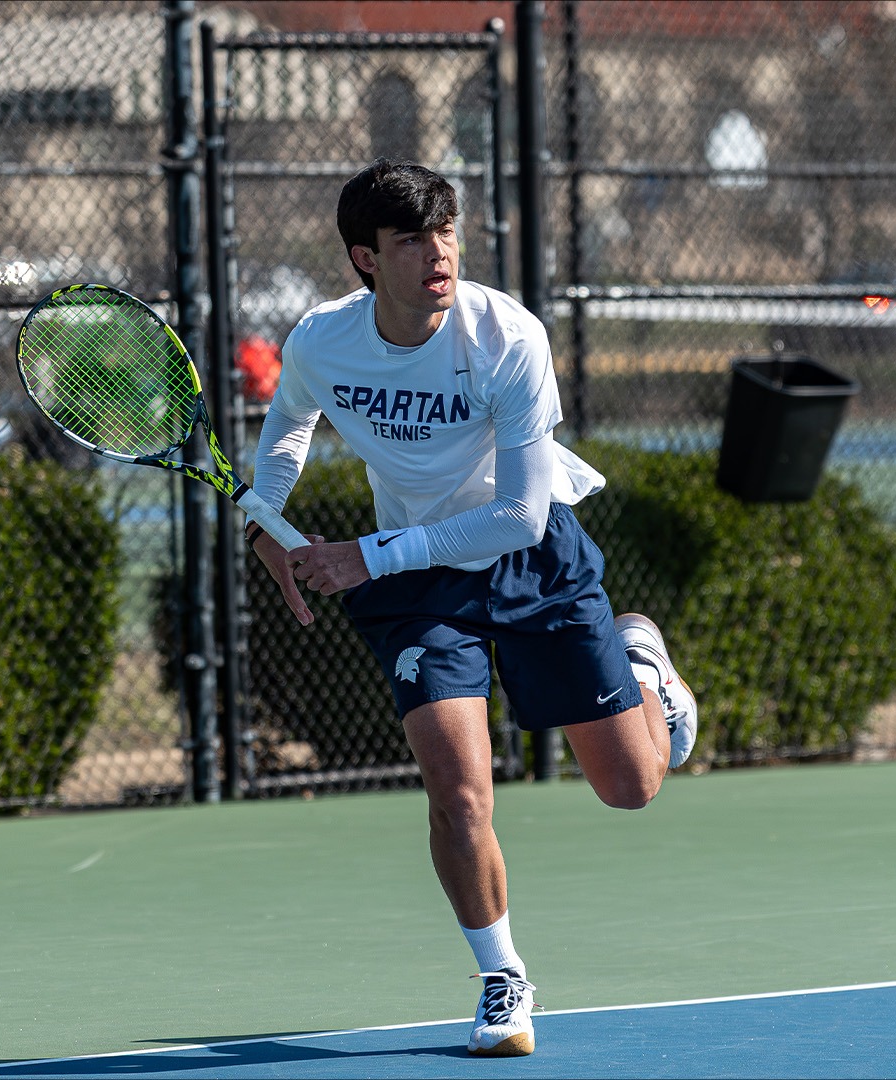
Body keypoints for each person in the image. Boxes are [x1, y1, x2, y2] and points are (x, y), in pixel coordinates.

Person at [244, 160, 699, 1058]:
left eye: (446, 231)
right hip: (421, 589)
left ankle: (642, 662)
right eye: (412, 239)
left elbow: (522, 514)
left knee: (631, 787)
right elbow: (288, 428)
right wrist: (262, 519)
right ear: (364, 259)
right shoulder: (321, 341)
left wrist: (364, 557)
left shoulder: (508, 339)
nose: (437, 252)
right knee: (458, 796)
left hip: (531, 561)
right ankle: (503, 979)